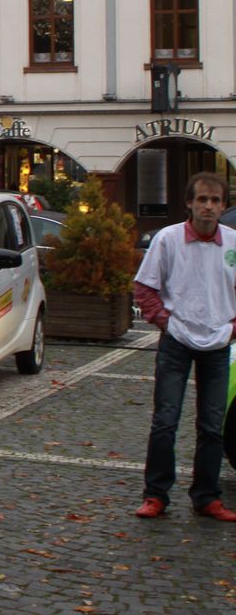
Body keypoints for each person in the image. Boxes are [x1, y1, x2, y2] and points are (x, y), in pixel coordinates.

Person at [133, 171, 236, 521]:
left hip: (218, 343)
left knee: (211, 425)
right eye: (202, 199)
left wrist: (233, 329)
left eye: (215, 200)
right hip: (176, 342)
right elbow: (144, 288)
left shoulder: (234, 243)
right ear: (189, 203)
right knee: (166, 420)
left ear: (224, 206)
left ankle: (206, 496)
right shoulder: (168, 239)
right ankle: (156, 494)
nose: (208, 206)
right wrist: (165, 322)